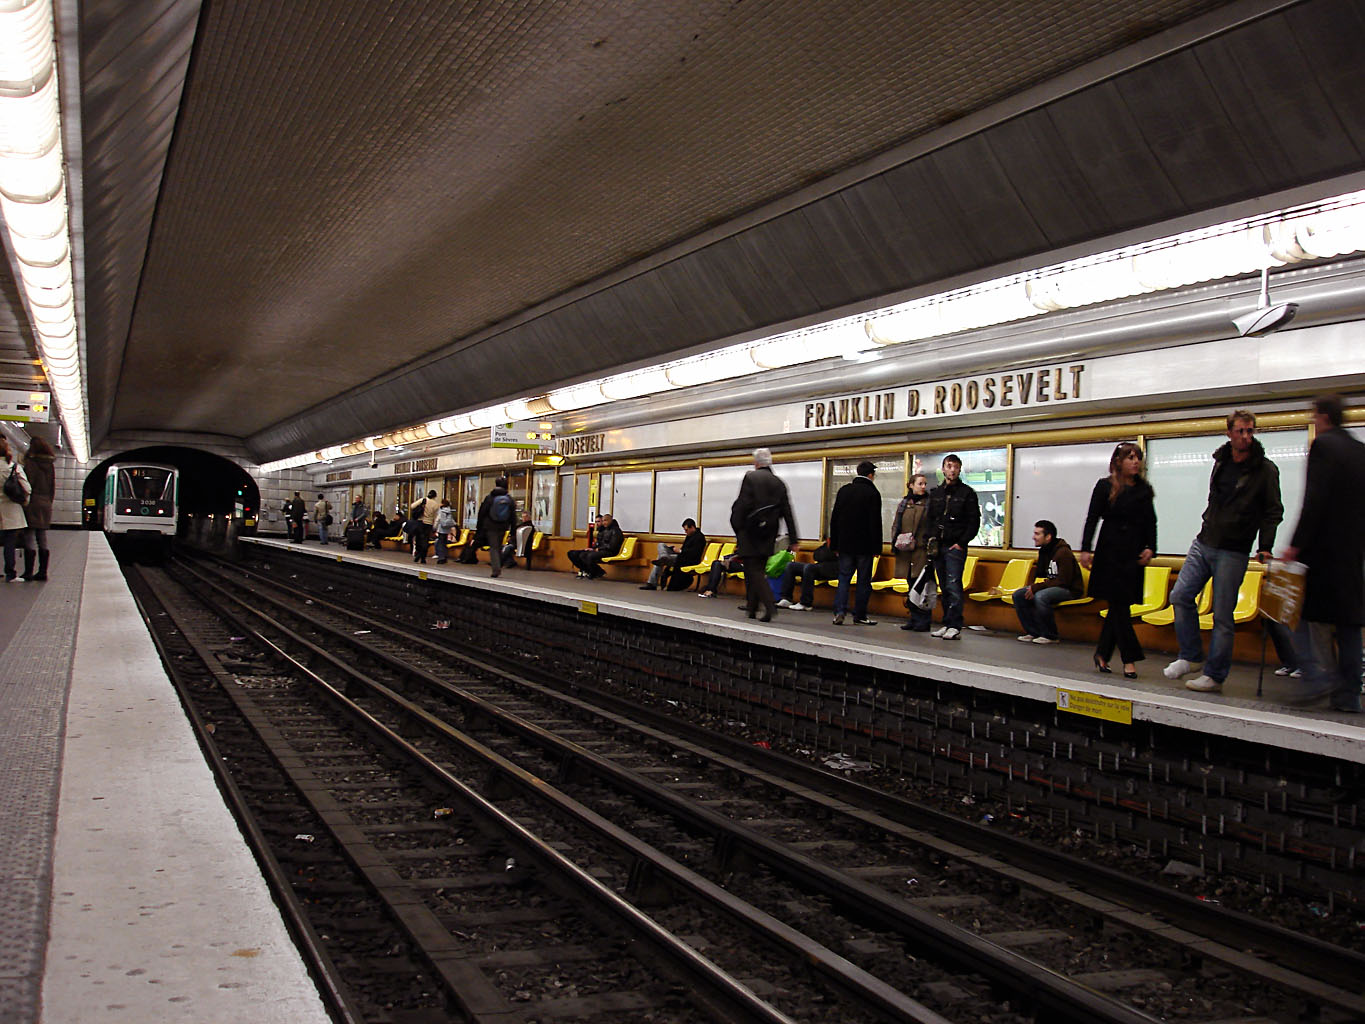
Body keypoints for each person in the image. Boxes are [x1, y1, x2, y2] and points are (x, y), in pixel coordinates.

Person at [1165, 410, 1283, 693]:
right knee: (1180, 595)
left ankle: (1215, 674)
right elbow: (1215, 498)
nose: (1246, 437)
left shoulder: (1265, 470)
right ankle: (1191, 655)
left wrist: (1265, 546)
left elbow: (1272, 511)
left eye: (1250, 431)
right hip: (1205, 540)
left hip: (1234, 549)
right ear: (1229, 433)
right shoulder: (1220, 462)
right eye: (1241, 431)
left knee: (1222, 615)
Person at [1283, 395, 1365, 712]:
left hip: (1323, 553)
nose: (1314, 421)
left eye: (1315, 416)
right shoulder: (1360, 451)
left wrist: (1295, 545)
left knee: (1298, 616)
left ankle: (1318, 677)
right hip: (1352, 553)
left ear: (1324, 417)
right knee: (1348, 625)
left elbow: (1313, 501)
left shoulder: (1323, 446)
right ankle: (1348, 696)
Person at [1080, 442, 1157, 678]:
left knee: (1119, 606)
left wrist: (1151, 547)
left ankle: (1102, 653)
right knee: (1119, 605)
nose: (1135, 462)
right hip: (1110, 549)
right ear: (1118, 461)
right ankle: (1130, 658)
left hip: (1132, 550)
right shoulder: (1105, 487)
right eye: (1129, 457)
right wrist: (1085, 548)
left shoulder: (1144, 489)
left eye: (1138, 458)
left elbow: (1150, 521)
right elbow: (1092, 518)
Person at [730, 448, 798, 622]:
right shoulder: (779, 483)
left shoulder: (751, 477)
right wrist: (794, 538)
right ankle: (752, 608)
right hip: (769, 533)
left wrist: (737, 527)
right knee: (757, 569)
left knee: (754, 571)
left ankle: (769, 606)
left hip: (750, 531)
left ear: (756, 463)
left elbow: (743, 505)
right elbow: (787, 511)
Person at [925, 454, 980, 640]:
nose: (952, 470)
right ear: (943, 469)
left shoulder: (967, 494)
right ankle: (947, 622)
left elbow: (974, 521)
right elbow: (930, 519)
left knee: (954, 584)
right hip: (937, 546)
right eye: (949, 466)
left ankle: (955, 624)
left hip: (955, 546)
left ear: (960, 469)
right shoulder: (936, 494)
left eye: (956, 466)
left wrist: (962, 542)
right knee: (944, 586)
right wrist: (930, 540)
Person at [828, 460, 882, 625]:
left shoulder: (844, 491)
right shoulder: (872, 493)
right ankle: (859, 615)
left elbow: (834, 518)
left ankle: (839, 611)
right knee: (863, 581)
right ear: (871, 475)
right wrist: (877, 547)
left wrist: (835, 544)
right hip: (864, 546)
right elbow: (875, 522)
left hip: (844, 545)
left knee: (844, 578)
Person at [1013, 520, 1084, 644]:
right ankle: (1033, 632)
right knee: (1019, 595)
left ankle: (1050, 635)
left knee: (1041, 596)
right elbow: (1041, 576)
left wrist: (1037, 588)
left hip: (1069, 590)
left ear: (1048, 536)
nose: (1033, 537)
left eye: (1037, 534)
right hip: (1053, 585)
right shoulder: (1044, 551)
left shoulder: (1063, 552)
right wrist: (1032, 587)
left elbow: (1064, 580)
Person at [892, 472, 933, 631]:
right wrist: (896, 541)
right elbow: (897, 524)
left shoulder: (929, 504)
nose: (923, 487)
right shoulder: (904, 504)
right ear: (911, 485)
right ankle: (913, 618)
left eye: (924, 484)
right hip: (905, 551)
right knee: (910, 584)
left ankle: (923, 620)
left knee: (922, 585)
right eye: (920, 484)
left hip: (922, 551)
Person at [20, 435, 55, 581]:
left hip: (33, 502)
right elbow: (52, 486)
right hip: (46, 502)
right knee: (42, 537)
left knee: (29, 536)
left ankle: (28, 572)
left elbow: (28, 484)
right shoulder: (50, 464)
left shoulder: (31, 463)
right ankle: (43, 572)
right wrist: (48, 501)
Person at [640, 518, 707, 590]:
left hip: (686, 559)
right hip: (681, 555)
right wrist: (674, 549)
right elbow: (684, 548)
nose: (685, 532)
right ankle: (664, 557)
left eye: (686, 530)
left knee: (659, 560)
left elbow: (694, 553)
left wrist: (680, 551)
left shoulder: (700, 537)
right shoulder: (690, 535)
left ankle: (652, 583)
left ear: (692, 527)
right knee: (661, 545)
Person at [775, 540, 838, 610]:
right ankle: (786, 599)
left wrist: (827, 553)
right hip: (822, 566)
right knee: (790, 566)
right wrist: (827, 553)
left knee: (809, 568)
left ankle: (806, 603)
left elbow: (828, 555)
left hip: (835, 569)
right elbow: (816, 555)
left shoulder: (842, 543)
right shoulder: (830, 542)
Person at [1, 437, 30, 582]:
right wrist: (24, 502)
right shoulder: (13, 467)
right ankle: (10, 574)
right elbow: (27, 488)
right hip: (11, 509)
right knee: (9, 543)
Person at [475, 477, 515, 577]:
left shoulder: (490, 497)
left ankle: (496, 569)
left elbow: (482, 512)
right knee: (498, 546)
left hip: (491, 526)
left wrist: (479, 527)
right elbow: (513, 515)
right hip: (503, 526)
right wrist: (512, 529)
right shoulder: (509, 499)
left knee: (493, 547)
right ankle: (498, 565)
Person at [568, 512, 623, 579]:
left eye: (605, 520)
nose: (604, 522)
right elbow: (599, 542)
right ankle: (591, 571)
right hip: (602, 550)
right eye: (602, 521)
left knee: (588, 556)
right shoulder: (605, 530)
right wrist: (593, 548)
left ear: (610, 520)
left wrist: (599, 549)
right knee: (575, 553)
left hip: (610, 552)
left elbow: (612, 546)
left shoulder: (616, 531)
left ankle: (595, 572)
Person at [409, 489, 438, 563]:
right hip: (429, 524)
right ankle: (423, 558)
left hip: (420, 522)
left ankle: (418, 554)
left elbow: (412, 506)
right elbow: (435, 516)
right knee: (425, 540)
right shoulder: (435, 504)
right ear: (435, 496)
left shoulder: (423, 500)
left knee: (418, 540)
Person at [433, 499, 457, 563]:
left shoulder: (441, 511)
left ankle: (441, 557)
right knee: (444, 543)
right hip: (447, 529)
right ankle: (445, 556)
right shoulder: (449, 511)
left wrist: (434, 527)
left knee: (440, 543)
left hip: (441, 529)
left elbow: (438, 520)